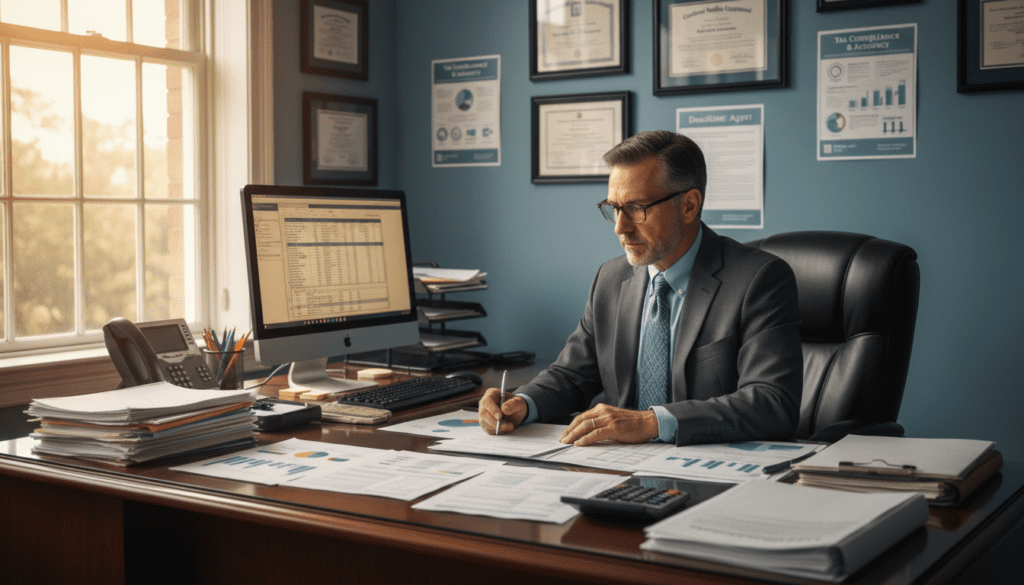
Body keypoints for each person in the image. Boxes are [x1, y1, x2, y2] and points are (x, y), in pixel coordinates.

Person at [479, 130, 802, 447]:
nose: (620, 227)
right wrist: (522, 402)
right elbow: (572, 375)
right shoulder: (610, 278)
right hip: (617, 467)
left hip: (711, 470)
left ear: (689, 205)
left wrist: (650, 422)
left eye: (636, 208)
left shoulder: (758, 279)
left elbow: (772, 403)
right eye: (614, 208)